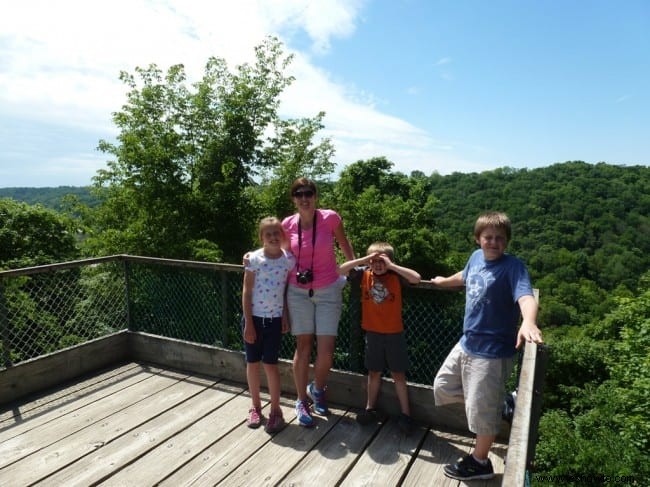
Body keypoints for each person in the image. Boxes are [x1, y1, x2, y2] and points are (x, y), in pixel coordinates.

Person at [430, 211, 543, 481]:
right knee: (442, 387)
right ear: (478, 239)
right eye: (488, 237)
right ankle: (501, 403)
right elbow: (466, 275)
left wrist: (528, 321)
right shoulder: (475, 258)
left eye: (499, 238)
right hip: (467, 343)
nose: (493, 242)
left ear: (507, 241)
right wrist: (444, 282)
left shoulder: (512, 267)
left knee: (482, 414)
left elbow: (526, 296)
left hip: (492, 354)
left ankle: (480, 462)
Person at [283, 177, 355, 427]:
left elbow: (344, 243)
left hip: (328, 290)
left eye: (309, 193)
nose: (304, 198)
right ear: (293, 198)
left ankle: (319, 388)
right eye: (299, 194)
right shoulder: (287, 225)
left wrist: (352, 268)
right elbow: (281, 256)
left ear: (315, 196)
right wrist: (254, 258)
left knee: (326, 351)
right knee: (303, 347)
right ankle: (302, 400)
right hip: (297, 291)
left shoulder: (330, 218)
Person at [337, 242, 421, 434]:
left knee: (398, 374)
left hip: (394, 333)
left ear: (390, 260)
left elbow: (416, 278)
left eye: (381, 260)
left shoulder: (396, 277)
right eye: (374, 260)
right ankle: (370, 408)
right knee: (373, 372)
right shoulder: (364, 275)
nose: (377, 264)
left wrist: (391, 266)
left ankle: (406, 414)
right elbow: (340, 270)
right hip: (372, 332)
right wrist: (365, 261)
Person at [241, 217, 295, 434]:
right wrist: (248, 324)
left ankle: (276, 410)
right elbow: (247, 291)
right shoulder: (254, 259)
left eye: (276, 233)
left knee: (270, 365)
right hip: (253, 318)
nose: (273, 237)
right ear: (261, 237)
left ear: (282, 236)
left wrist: (284, 315)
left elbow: (286, 290)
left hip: (273, 320)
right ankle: (255, 407)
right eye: (268, 234)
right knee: (252, 363)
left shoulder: (288, 260)